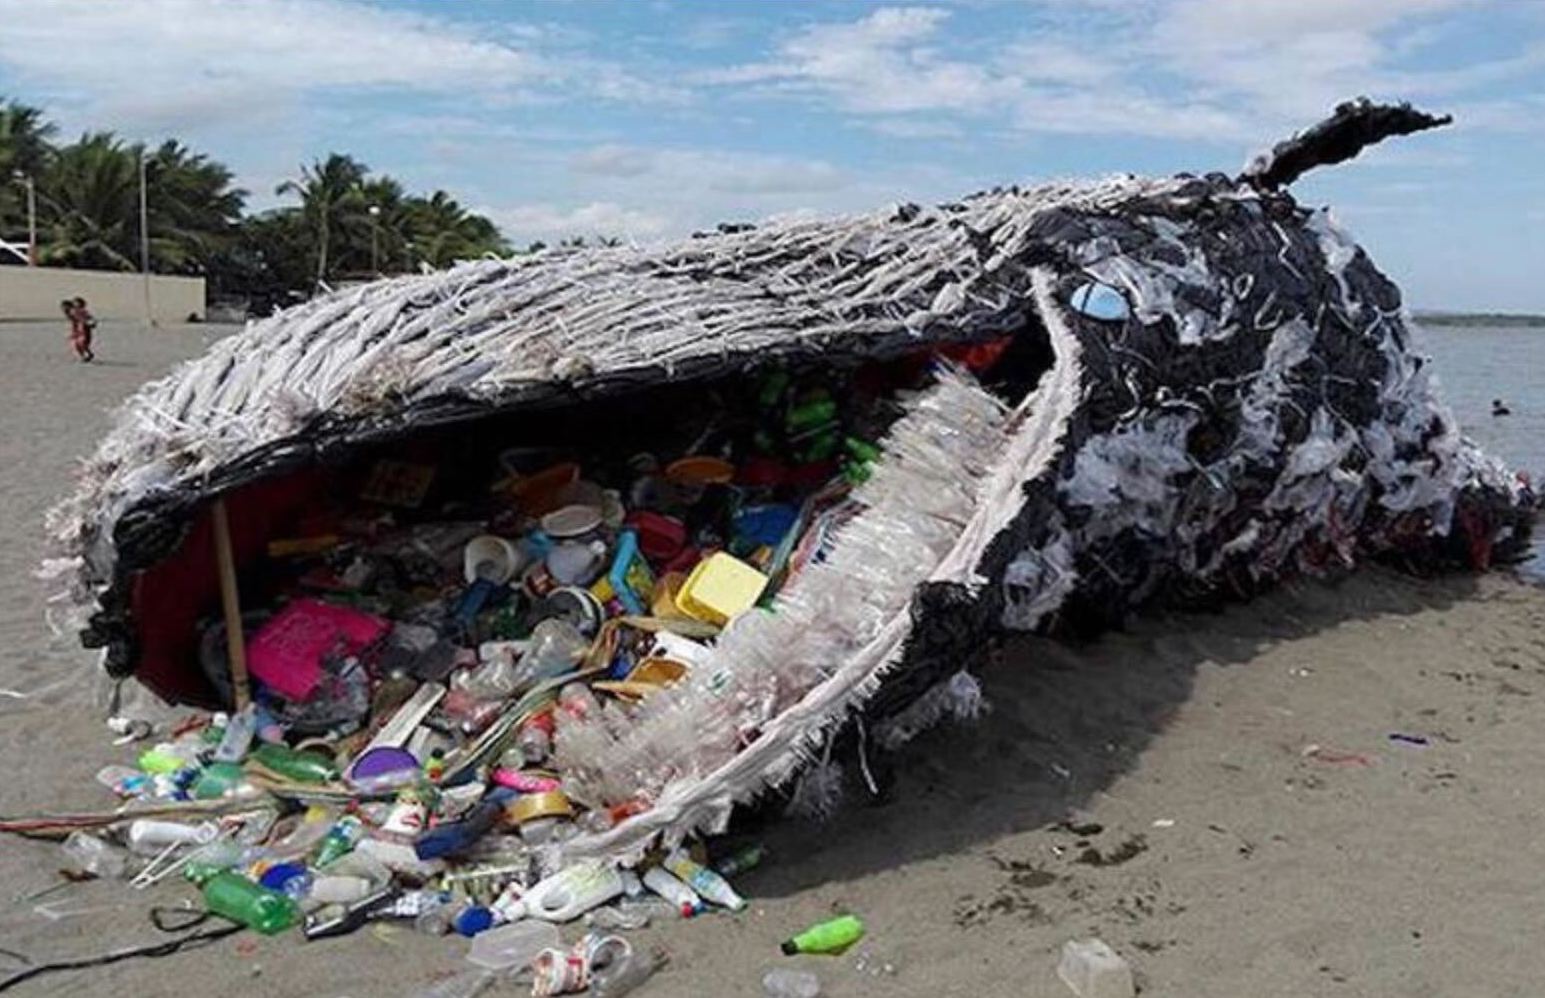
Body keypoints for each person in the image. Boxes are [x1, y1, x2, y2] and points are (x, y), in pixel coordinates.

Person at [64, 296, 95, 362]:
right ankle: (83, 356)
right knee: (77, 344)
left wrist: (91, 323)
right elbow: (72, 318)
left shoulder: (84, 312)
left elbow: (89, 319)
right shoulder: (74, 312)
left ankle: (87, 354)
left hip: (84, 330)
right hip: (77, 331)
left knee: (83, 343)